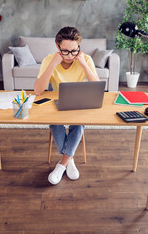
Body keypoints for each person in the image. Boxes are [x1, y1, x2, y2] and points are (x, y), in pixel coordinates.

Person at [34, 26, 100, 185]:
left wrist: (83, 63)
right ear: (57, 47)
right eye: (65, 51)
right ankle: (69, 160)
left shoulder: (85, 59)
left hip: (79, 102)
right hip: (57, 103)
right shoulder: (49, 59)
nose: (70, 56)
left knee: (78, 123)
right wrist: (53, 64)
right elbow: (38, 90)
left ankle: (62, 164)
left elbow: (97, 87)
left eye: (74, 51)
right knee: (55, 122)